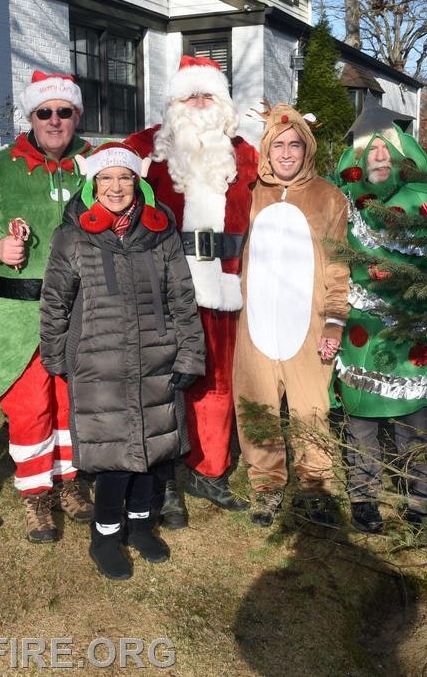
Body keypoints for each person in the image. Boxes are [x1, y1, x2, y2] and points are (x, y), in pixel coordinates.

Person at [39, 143, 205, 580]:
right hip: (99, 363)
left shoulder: (160, 233)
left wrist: (189, 352)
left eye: (125, 177)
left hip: (156, 357)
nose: (116, 187)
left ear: (138, 183)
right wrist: (57, 355)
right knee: (112, 461)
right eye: (107, 178)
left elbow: (182, 299)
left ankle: (140, 527)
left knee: (152, 454)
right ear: (94, 184)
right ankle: (105, 537)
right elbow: (55, 301)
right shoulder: (73, 235)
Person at [124, 56, 258, 527]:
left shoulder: (246, 155)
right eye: (190, 97)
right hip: (165, 290)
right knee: (163, 384)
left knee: (218, 382)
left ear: (222, 104)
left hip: (225, 289)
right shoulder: (144, 149)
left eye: (209, 97)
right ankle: (163, 482)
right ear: (174, 103)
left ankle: (211, 469)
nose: (200, 105)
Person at [0, 71, 94, 543]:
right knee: (29, 407)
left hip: (78, 310)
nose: (55, 120)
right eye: (46, 112)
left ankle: (68, 483)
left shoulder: (93, 164)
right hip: (19, 314)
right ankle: (36, 496)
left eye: (65, 111)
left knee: (70, 403)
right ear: (31, 116)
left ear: (76, 116)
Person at [331, 108, 427, 534]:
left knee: (418, 427)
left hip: (421, 332)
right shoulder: (342, 204)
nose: (377, 157)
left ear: (399, 152)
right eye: (369, 151)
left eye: (383, 149)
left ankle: (422, 506)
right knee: (362, 425)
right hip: (363, 332)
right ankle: (365, 499)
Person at [232, 103, 350, 528]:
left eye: (294, 145)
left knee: (310, 411)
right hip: (256, 323)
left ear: (307, 148)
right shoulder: (249, 193)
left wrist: (335, 320)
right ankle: (265, 486)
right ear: (266, 149)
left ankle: (315, 486)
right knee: (256, 407)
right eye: (277, 145)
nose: (285, 153)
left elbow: (339, 266)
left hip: (308, 324)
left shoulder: (328, 197)